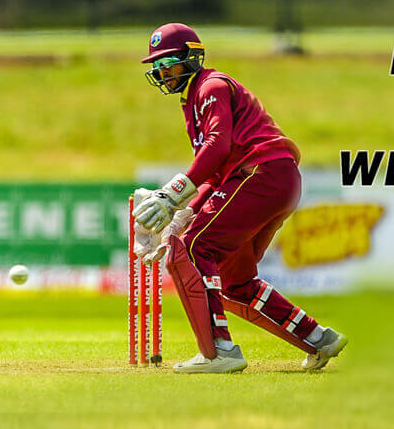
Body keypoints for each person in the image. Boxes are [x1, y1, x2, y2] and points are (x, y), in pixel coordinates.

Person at [135, 23, 348, 373]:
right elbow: (218, 173)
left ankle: (218, 351)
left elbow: (218, 147)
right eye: (157, 67)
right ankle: (318, 338)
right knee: (235, 281)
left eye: (169, 63)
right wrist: (183, 213)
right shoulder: (193, 101)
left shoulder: (211, 86)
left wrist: (172, 194)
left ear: (192, 58)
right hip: (273, 180)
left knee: (192, 248)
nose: (162, 73)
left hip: (258, 175)